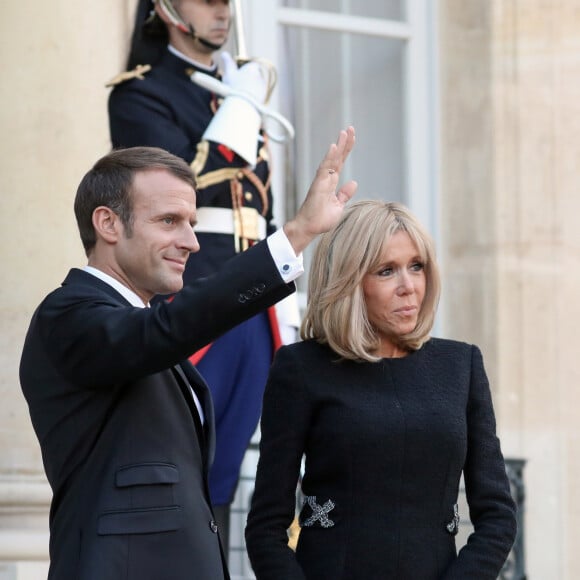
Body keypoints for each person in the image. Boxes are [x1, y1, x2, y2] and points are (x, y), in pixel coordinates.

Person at [19, 128, 356, 580]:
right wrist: (294, 236)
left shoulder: (142, 326)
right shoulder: (69, 314)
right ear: (108, 224)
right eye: (169, 221)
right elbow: (169, 329)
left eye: (191, 224)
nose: (192, 243)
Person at [107, 0, 298, 546]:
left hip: (256, 302)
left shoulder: (232, 89)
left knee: (223, 479)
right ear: (167, 8)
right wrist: (239, 109)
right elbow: (178, 189)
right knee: (177, 463)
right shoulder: (141, 93)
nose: (223, 11)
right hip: (192, 296)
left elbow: (259, 206)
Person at [245, 200, 517, 580]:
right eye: (387, 271)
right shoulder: (301, 369)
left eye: (416, 266)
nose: (409, 287)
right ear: (350, 280)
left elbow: (498, 517)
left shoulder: (461, 365)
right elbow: (265, 529)